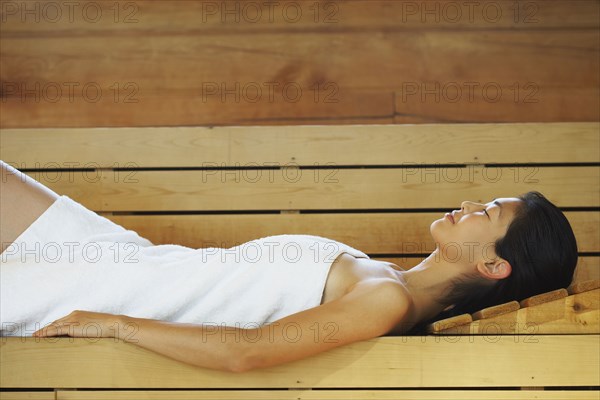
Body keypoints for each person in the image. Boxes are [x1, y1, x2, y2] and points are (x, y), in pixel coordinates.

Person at [0, 160, 578, 373]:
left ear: (494, 265)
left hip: (109, 290)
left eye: (491, 214)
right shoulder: (386, 279)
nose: (472, 205)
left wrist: (115, 323)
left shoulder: (389, 303)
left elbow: (244, 352)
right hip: (126, 259)